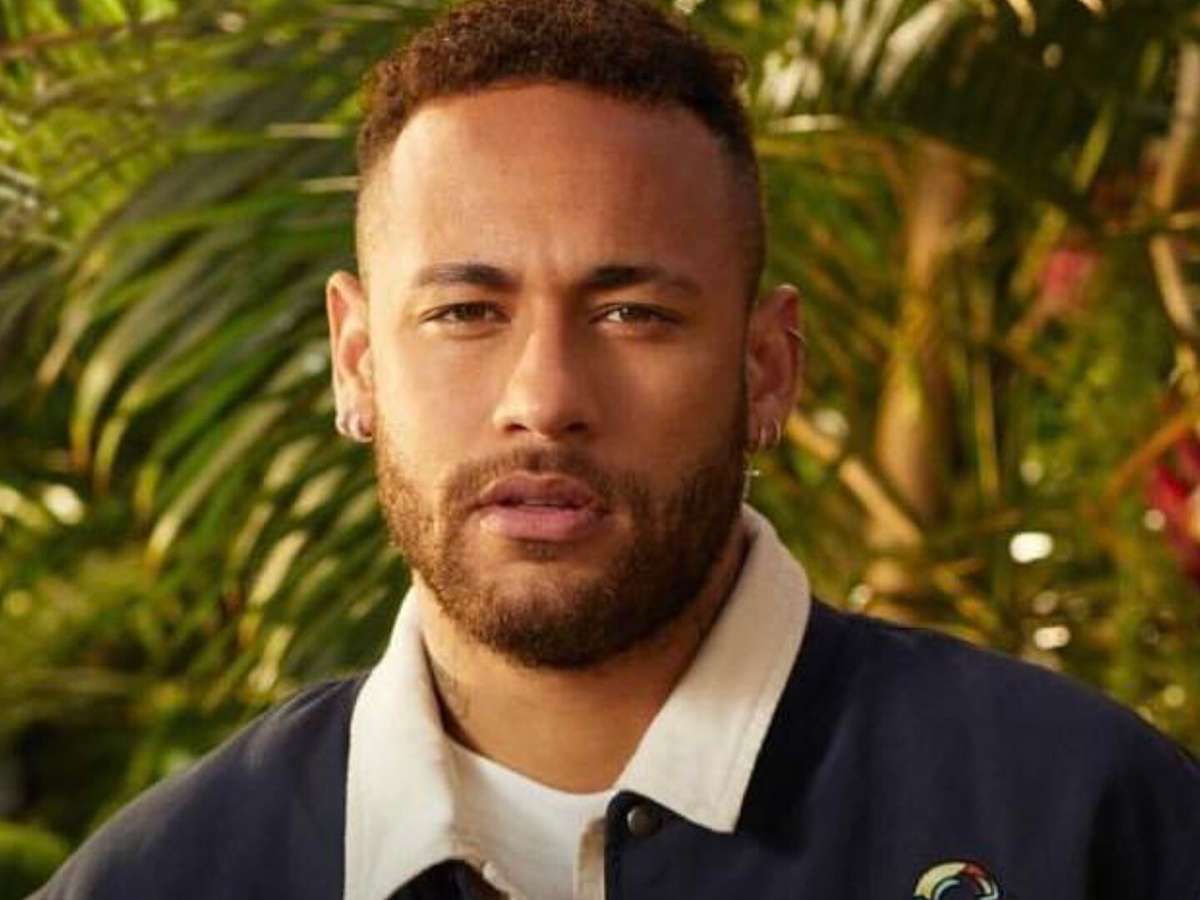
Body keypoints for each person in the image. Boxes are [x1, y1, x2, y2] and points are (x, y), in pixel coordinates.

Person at [31, 1, 1200, 898]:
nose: (543, 399)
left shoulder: (1082, 820)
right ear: (357, 361)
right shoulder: (163, 879)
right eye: (466, 312)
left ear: (766, 368)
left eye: (632, 312)